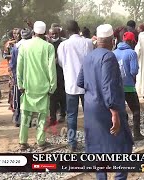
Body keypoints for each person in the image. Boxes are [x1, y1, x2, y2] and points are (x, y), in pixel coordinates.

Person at [77, 24, 133, 180]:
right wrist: (114, 111)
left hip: (90, 109)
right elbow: (108, 85)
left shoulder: (88, 56)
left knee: (97, 148)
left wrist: (93, 86)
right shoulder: (109, 57)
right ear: (111, 40)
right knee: (123, 147)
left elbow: (80, 81)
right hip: (106, 109)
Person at [17, 21, 57, 150]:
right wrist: (53, 86)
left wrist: (20, 83)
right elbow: (52, 68)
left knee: (26, 115)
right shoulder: (49, 47)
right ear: (45, 33)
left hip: (28, 87)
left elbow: (19, 67)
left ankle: (23, 142)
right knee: (42, 116)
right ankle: (40, 141)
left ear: (33, 32)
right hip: (43, 87)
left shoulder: (24, 46)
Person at [57, 20, 93, 152]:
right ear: (78, 29)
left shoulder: (63, 45)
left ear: (67, 31)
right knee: (88, 113)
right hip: (86, 84)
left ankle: (72, 143)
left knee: (71, 115)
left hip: (71, 84)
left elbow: (61, 62)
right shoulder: (88, 42)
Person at [113, 32, 144, 141]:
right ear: (131, 41)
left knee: (122, 110)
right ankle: (137, 134)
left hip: (117, 87)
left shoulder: (114, 53)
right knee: (135, 110)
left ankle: (124, 134)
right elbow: (134, 70)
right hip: (129, 87)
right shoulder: (132, 53)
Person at [10, 28, 32, 127]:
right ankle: (29, 120)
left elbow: (13, 64)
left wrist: (15, 77)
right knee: (30, 99)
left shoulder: (16, 47)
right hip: (32, 77)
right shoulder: (34, 46)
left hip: (19, 77)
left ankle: (18, 119)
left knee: (19, 99)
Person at [48, 27, 66, 126]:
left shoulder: (63, 44)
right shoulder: (47, 44)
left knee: (63, 95)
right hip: (51, 74)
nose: (54, 36)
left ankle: (62, 114)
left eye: (56, 34)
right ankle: (52, 117)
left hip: (61, 73)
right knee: (52, 97)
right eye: (52, 34)